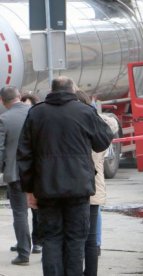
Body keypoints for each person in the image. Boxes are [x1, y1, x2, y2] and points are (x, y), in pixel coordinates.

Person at [17, 76, 114, 275]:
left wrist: (28, 189)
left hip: (46, 189)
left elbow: (24, 155)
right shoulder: (85, 112)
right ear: (72, 91)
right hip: (78, 189)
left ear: (51, 91)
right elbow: (102, 141)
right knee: (76, 240)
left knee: (51, 239)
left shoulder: (36, 113)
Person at [75, 89, 118, 276]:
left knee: (77, 237)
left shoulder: (76, 127)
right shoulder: (98, 126)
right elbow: (112, 123)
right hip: (95, 187)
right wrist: (94, 113)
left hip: (78, 189)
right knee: (91, 239)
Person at [0, 86, 32, 265]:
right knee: (42, 209)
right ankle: (39, 244)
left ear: (2, 101)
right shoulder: (36, 113)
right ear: (19, 97)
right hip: (41, 172)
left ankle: (24, 253)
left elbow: (0, 149)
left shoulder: (4, 119)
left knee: (20, 213)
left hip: (16, 173)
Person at [10, 92, 43, 256]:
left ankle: (32, 245)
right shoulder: (34, 118)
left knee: (29, 211)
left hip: (27, 172)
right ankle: (29, 243)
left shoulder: (36, 120)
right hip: (27, 171)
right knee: (28, 210)